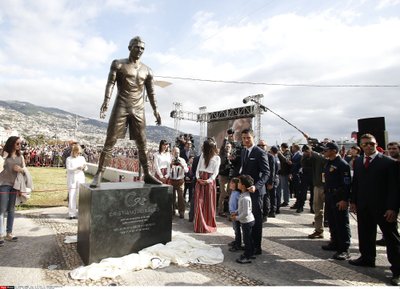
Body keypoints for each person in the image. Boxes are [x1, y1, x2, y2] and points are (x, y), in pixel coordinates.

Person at [90, 36, 162, 187]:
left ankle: (147, 174)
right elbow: (110, 83)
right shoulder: (118, 64)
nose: (140, 50)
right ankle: (99, 174)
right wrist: (106, 101)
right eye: (137, 47)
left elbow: (151, 92)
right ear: (130, 47)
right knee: (110, 140)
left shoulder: (147, 70)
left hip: (138, 108)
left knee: (142, 143)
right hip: (121, 105)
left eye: (142, 48)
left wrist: (156, 110)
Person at [349, 134, 400, 286]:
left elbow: (395, 188)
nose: (368, 146)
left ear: (376, 144)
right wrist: (354, 201)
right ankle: (367, 258)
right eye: (365, 144)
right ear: (361, 146)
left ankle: (397, 271)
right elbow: (356, 183)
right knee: (365, 233)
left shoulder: (389, 163)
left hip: (384, 208)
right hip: (364, 206)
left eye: (371, 143)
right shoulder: (358, 161)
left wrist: (393, 208)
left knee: (392, 239)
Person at [239, 128, 270, 255]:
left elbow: (266, 173)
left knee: (256, 219)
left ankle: (257, 247)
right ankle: (249, 244)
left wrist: (256, 186)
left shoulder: (260, 152)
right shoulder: (243, 151)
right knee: (246, 217)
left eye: (248, 138)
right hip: (245, 190)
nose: (246, 140)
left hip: (256, 192)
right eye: (244, 138)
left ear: (253, 138)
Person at [320, 142, 352, 261]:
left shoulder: (342, 164)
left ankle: (344, 249)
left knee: (341, 223)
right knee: (332, 221)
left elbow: (346, 183)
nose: (324, 152)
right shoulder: (329, 162)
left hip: (339, 197)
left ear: (334, 150)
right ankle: (335, 242)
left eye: (326, 150)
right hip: (330, 195)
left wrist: (344, 199)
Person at [0, 136, 25, 246]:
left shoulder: (21, 157)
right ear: (11, 144)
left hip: (15, 185)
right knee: (2, 209)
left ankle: (9, 233)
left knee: (11, 209)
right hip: (4, 184)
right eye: (17, 144)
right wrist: (3, 158)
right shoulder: (3, 155)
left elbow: (25, 172)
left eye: (20, 144)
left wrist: (20, 170)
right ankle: (0, 234)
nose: (20, 146)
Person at [193, 138, 221, 233]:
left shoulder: (217, 158)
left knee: (209, 204)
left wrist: (208, 181)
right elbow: (197, 169)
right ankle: (199, 225)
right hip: (200, 180)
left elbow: (216, 172)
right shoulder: (202, 156)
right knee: (199, 203)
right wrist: (197, 178)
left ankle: (208, 224)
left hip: (209, 182)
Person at [232, 175, 256, 264]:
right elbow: (241, 207)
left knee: (247, 240)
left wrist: (237, 218)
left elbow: (246, 213)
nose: (237, 184)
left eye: (239, 182)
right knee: (248, 238)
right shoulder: (243, 195)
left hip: (247, 221)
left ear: (243, 186)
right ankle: (251, 252)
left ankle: (247, 256)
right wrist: (236, 211)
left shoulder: (246, 198)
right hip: (246, 221)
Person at [66, 144, 87, 219]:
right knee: (72, 195)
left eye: (79, 153)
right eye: (77, 153)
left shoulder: (82, 158)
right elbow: (68, 169)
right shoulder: (69, 159)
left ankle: (82, 212)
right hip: (72, 178)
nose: (78, 154)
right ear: (74, 151)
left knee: (82, 195)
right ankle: (72, 213)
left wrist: (84, 168)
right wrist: (76, 168)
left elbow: (86, 167)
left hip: (80, 177)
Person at [169, 147, 188, 218]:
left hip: (180, 181)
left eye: (178, 153)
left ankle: (181, 212)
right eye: (175, 152)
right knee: (172, 197)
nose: (177, 154)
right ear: (172, 152)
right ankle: (172, 211)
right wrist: (171, 165)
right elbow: (168, 170)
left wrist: (182, 166)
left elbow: (187, 170)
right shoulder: (170, 160)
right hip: (172, 181)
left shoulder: (182, 160)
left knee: (181, 197)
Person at [217, 141, 233, 217]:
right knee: (223, 193)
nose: (227, 148)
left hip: (230, 176)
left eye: (229, 147)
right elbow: (221, 162)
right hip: (223, 175)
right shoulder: (221, 154)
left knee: (230, 193)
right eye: (226, 147)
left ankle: (230, 210)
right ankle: (220, 210)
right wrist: (225, 141)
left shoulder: (233, 155)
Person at [228, 177, 242, 251]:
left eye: (232, 183)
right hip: (232, 213)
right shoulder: (233, 192)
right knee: (235, 228)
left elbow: (240, 205)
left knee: (237, 229)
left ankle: (238, 244)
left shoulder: (237, 194)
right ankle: (236, 241)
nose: (230, 184)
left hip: (236, 214)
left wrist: (235, 212)